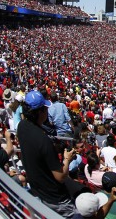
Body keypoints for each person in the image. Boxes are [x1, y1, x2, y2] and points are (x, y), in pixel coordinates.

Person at [17, 90, 76, 218]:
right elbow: (60, 177)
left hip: (37, 189)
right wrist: (67, 160)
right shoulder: (43, 140)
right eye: (44, 108)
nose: (47, 111)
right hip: (54, 196)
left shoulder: (21, 126)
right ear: (39, 112)